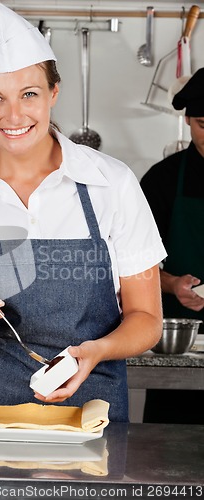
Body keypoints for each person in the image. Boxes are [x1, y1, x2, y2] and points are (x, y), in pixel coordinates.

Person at [0, 2, 166, 421]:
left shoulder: (112, 186)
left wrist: (95, 351)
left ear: (53, 92)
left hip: (89, 412)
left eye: (29, 94)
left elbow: (147, 319)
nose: (13, 115)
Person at [140, 68, 204, 424]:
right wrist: (172, 284)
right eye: (203, 125)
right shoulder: (162, 180)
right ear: (188, 122)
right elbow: (131, 262)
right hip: (178, 336)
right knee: (169, 444)